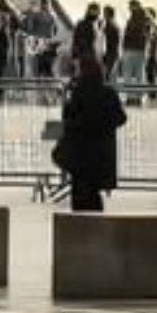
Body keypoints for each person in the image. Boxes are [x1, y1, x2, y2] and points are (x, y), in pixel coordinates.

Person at [55, 55, 125, 213]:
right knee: (94, 200)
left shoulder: (78, 93)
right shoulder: (108, 94)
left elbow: (69, 119)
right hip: (101, 154)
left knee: (80, 200)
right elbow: (121, 118)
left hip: (80, 155)